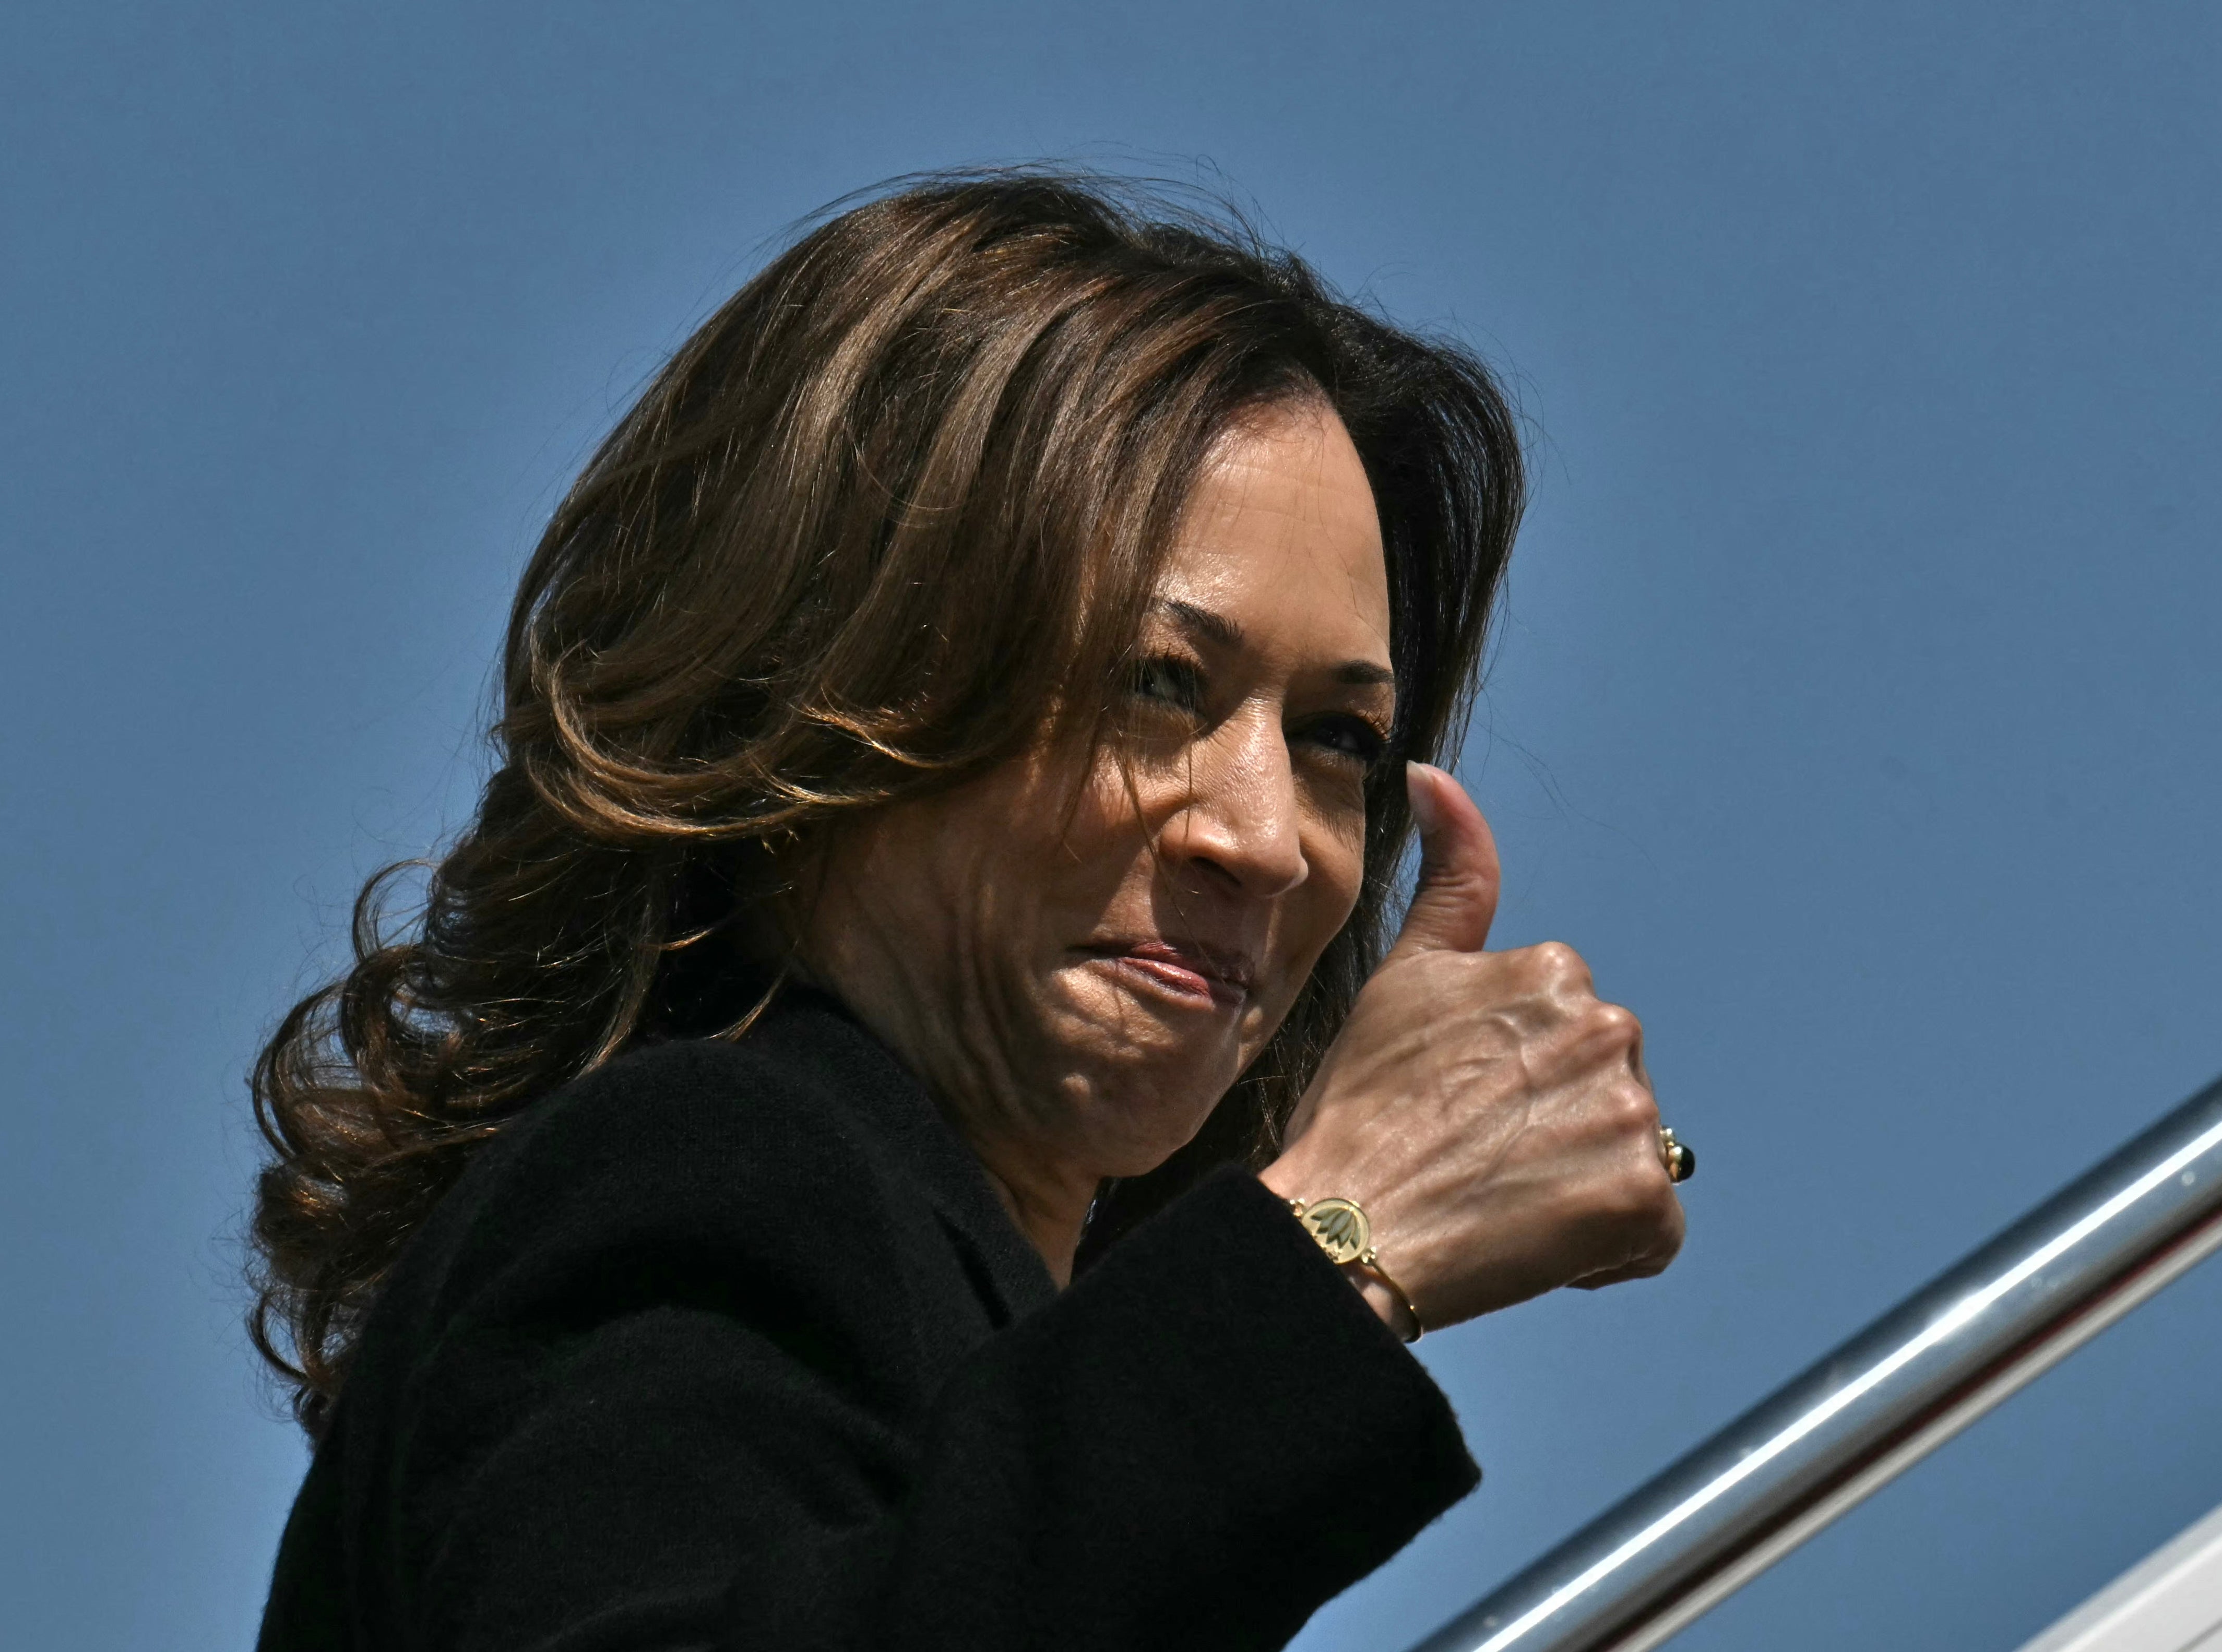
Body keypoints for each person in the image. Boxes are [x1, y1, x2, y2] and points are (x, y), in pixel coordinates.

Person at [247, 170, 1689, 1652]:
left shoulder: (989, 1349)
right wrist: (1341, 1238)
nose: (1264, 840)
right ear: (829, 693)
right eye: (1155, 682)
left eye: (1334, 739)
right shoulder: (713, 1166)